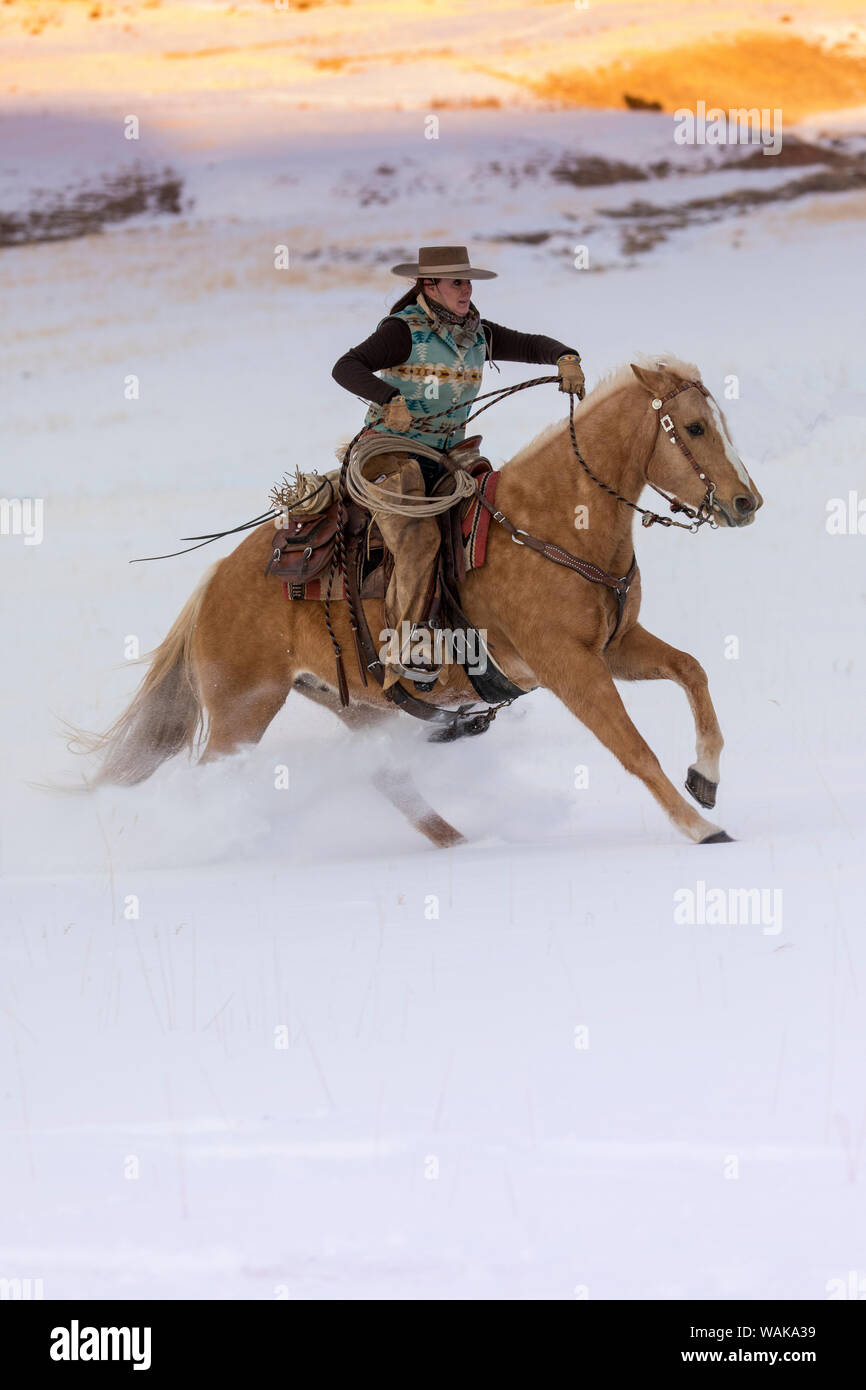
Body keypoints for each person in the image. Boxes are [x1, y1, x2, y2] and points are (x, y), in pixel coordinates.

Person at [331, 245, 585, 688]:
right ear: (429, 286)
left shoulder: (477, 333)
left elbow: (528, 344)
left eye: (467, 282)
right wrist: (388, 399)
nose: (465, 290)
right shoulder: (403, 331)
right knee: (418, 539)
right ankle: (404, 644)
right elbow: (345, 366)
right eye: (456, 282)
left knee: (501, 512)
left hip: (447, 456)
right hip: (388, 454)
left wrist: (565, 356)